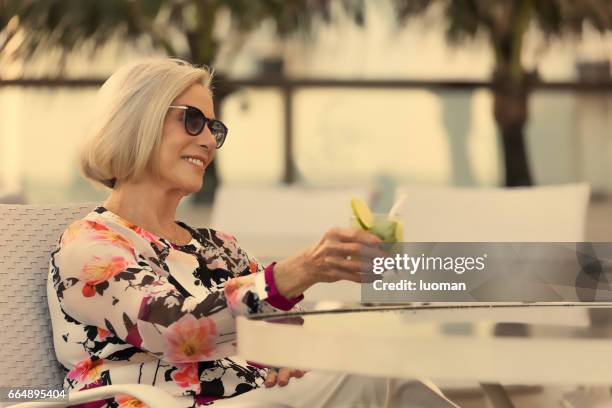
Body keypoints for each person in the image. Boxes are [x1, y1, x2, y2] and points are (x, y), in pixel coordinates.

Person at [47, 58, 458, 408]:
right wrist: (300, 271)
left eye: (214, 128)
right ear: (136, 121)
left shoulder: (218, 247)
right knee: (370, 375)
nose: (208, 140)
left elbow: (287, 332)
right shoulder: (91, 245)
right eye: (193, 120)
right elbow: (173, 331)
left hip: (251, 396)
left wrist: (285, 357)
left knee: (399, 379)